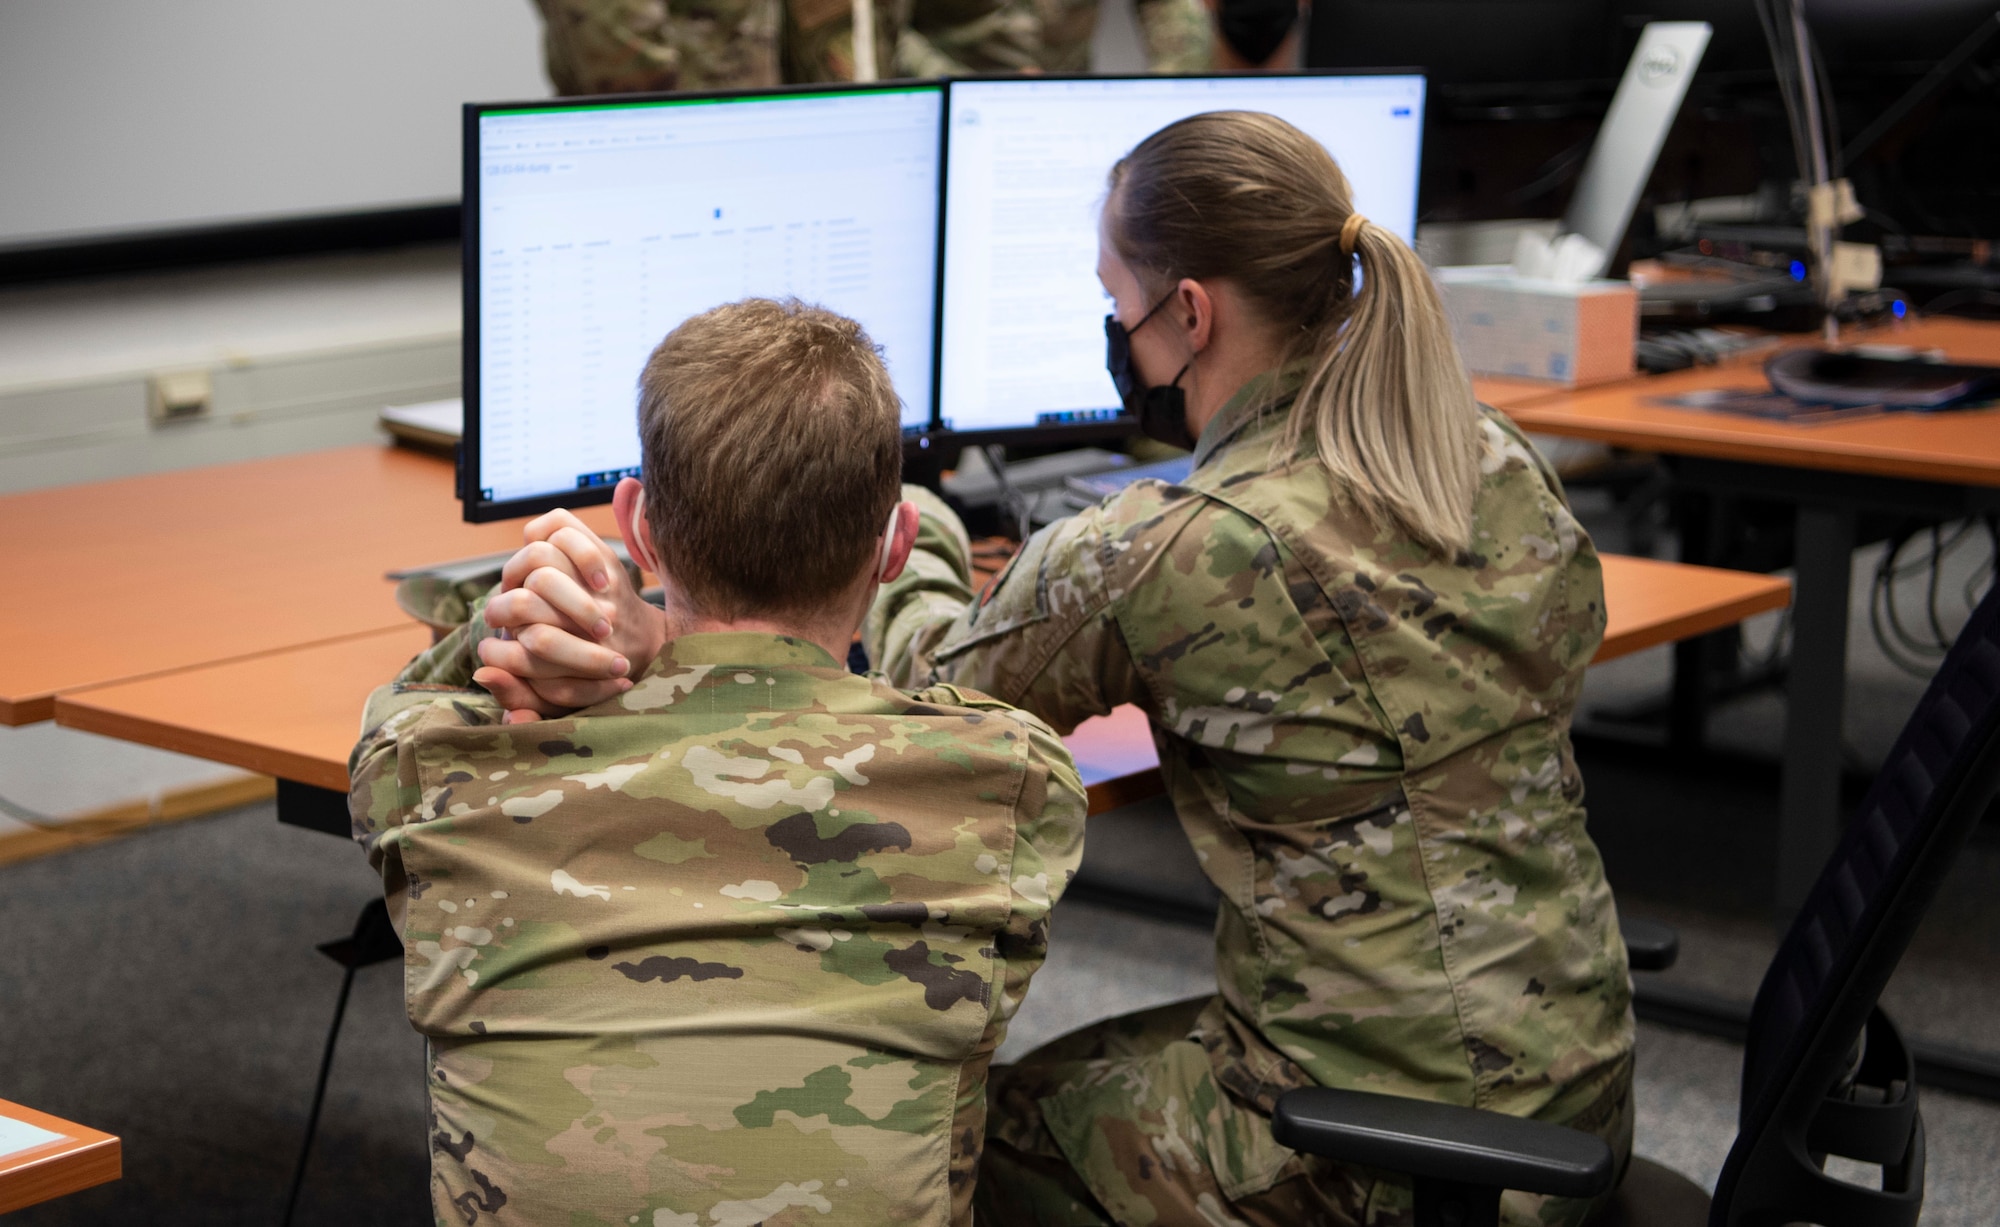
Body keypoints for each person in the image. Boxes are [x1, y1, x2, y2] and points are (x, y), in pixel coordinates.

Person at [483, 112, 1634, 1227]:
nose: (1116, 335)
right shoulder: (1480, 456)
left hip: (1361, 1158)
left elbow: (925, 686)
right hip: (1575, 1078)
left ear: (1188, 314)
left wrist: (904, 515)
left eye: (1114, 306)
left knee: (975, 1135)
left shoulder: (1175, 547)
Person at [349, 298, 1085, 1225]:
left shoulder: (435, 772)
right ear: (892, 548)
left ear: (639, 529)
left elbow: (397, 716)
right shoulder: (1012, 781)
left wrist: (518, 618)